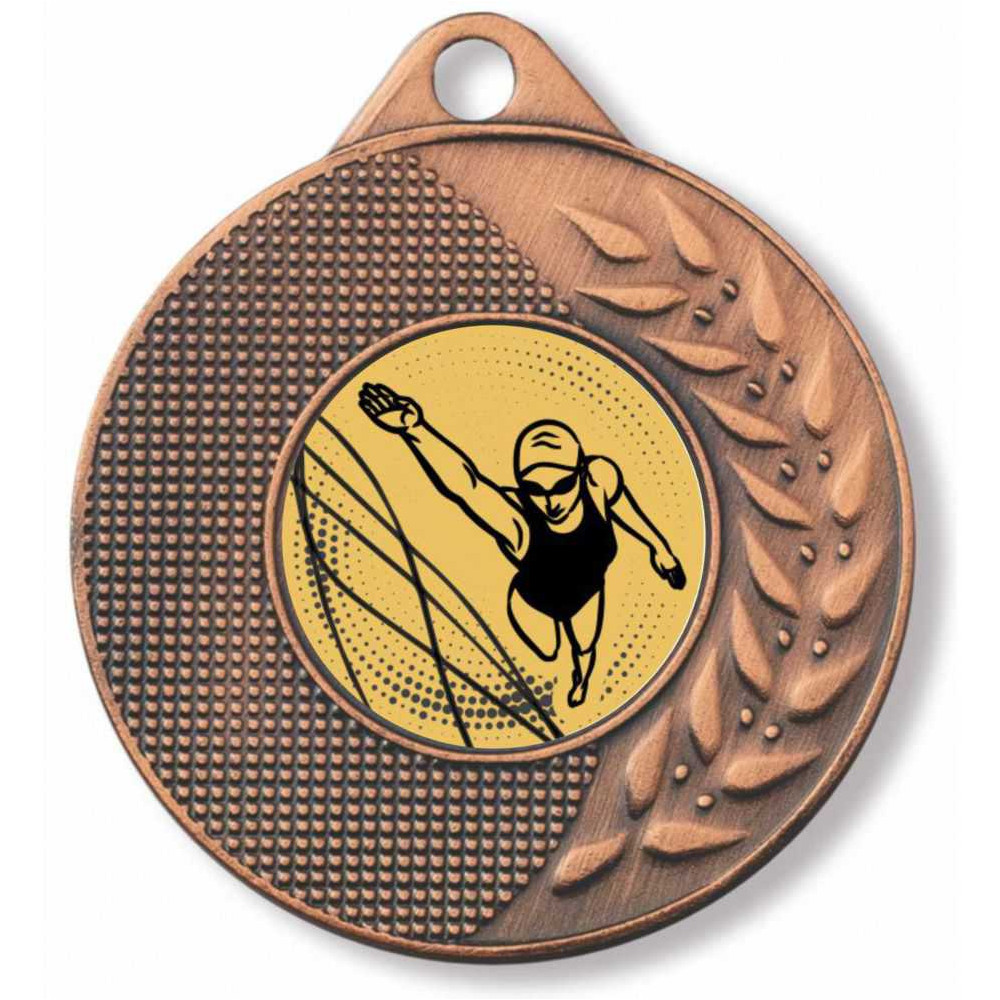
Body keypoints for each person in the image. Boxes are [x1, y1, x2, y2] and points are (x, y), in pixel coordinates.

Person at [358, 382, 686, 707]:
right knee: (547, 651)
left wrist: (660, 548)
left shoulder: (600, 480)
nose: (550, 502)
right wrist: (415, 430)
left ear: (581, 472)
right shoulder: (518, 522)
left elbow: (623, 507)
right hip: (534, 601)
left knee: (585, 649)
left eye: (562, 486)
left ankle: (581, 680)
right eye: (535, 490)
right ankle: (556, 648)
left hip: (586, 593)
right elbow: (466, 485)